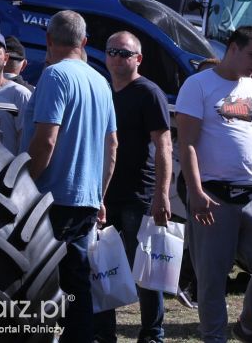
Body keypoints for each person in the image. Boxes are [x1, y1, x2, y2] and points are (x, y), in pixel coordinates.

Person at [176, 25, 252, 343]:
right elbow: (187, 144)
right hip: (213, 193)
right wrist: (195, 191)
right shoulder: (197, 85)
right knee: (212, 278)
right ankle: (214, 337)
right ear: (233, 48)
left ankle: (248, 326)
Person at [23, 10, 117, 343]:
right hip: (86, 200)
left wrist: (24, 188)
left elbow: (46, 140)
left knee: (38, 287)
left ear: (48, 40)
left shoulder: (54, 76)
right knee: (77, 286)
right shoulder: (101, 82)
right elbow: (112, 147)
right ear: (85, 42)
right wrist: (100, 195)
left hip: (51, 199)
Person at [95, 31, 172, 343]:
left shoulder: (148, 92)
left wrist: (162, 194)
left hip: (140, 195)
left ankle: (152, 334)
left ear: (138, 59)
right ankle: (103, 333)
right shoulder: (103, 90)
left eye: (124, 53)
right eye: (112, 51)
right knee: (103, 268)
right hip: (105, 195)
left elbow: (164, 145)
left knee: (147, 272)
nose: (116, 58)